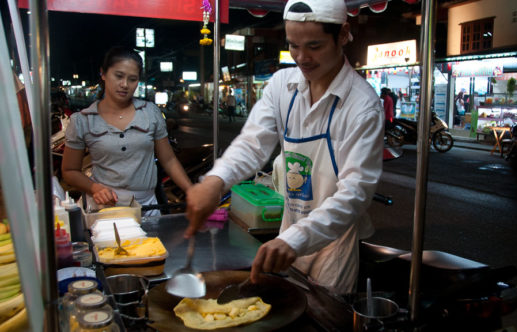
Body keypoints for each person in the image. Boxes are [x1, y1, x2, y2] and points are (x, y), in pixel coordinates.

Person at [184, 0, 384, 294]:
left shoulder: (363, 106)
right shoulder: (282, 85)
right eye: (293, 45)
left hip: (332, 244)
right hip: (286, 234)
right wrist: (216, 180)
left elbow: (355, 194)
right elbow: (253, 143)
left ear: (342, 35)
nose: (302, 58)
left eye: (314, 46)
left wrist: (297, 239)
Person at [62, 47, 192, 215]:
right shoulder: (83, 120)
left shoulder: (150, 112)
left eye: (132, 79)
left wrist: (191, 190)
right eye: (118, 76)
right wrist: (95, 188)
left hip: (147, 208)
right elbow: (69, 170)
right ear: (103, 73)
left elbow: (168, 160)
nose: (125, 85)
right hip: (105, 209)